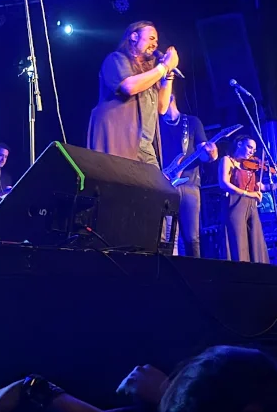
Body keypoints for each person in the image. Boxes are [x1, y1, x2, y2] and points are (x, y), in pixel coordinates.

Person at [87, 21, 177, 167]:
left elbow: (162, 108)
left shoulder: (149, 75)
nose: (155, 44)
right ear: (134, 37)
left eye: (156, 41)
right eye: (151, 38)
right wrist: (164, 66)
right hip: (119, 141)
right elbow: (129, 87)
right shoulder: (116, 59)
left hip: (145, 146)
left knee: (155, 182)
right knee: (119, 180)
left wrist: (168, 77)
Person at [219, 135, 277, 263]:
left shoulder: (251, 165)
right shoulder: (227, 160)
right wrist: (248, 194)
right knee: (238, 243)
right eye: (249, 147)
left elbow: (262, 187)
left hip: (251, 206)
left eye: (254, 150)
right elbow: (224, 183)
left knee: (255, 242)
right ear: (239, 144)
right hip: (235, 205)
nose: (251, 152)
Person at [160, 94, 217, 257]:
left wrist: (212, 153)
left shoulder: (192, 122)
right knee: (170, 237)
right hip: (164, 184)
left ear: (171, 97)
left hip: (189, 184)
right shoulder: (156, 124)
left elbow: (205, 156)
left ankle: (195, 270)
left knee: (192, 238)